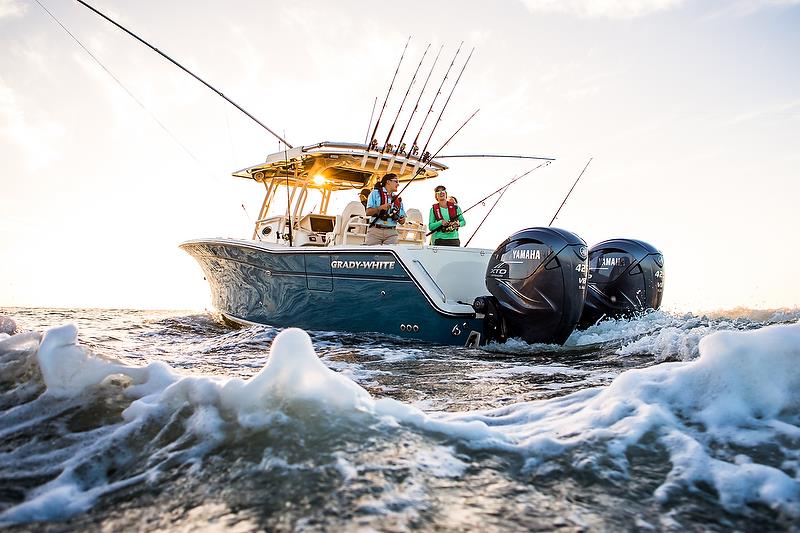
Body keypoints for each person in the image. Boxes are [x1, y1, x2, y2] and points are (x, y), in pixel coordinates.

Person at [365, 173, 406, 245]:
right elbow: (368, 212)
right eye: (396, 181)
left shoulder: (398, 199)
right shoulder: (375, 193)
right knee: (371, 255)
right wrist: (380, 208)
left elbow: (402, 221)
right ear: (388, 182)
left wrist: (401, 219)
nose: (398, 184)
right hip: (375, 231)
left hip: (392, 232)